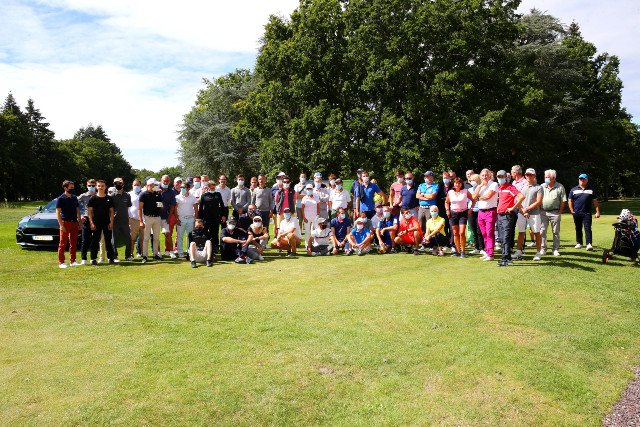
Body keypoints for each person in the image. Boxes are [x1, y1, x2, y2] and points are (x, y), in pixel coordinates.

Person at [496, 170, 524, 267]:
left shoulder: (510, 187)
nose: (500, 178)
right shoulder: (499, 188)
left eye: (502, 177)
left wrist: (513, 207)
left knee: (506, 237)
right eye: (499, 177)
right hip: (500, 215)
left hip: (507, 215)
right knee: (502, 237)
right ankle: (507, 258)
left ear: (506, 177)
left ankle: (505, 258)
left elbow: (521, 196)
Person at [514, 169, 543, 261]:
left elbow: (538, 202)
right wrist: (523, 210)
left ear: (534, 176)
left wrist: (527, 209)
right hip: (522, 212)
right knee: (521, 232)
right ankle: (518, 251)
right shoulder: (522, 187)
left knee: (536, 232)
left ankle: (538, 253)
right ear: (525, 176)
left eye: (531, 175)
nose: (529, 176)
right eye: (527, 175)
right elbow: (518, 199)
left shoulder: (539, 187)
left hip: (534, 213)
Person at [569, 173, 600, 251]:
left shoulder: (591, 190)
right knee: (578, 228)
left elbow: (595, 201)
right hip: (576, 212)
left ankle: (589, 244)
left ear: (587, 180)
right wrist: (572, 211)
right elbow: (570, 200)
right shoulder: (573, 190)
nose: (582, 180)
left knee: (587, 228)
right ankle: (579, 243)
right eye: (580, 179)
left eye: (583, 179)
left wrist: (597, 211)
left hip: (587, 212)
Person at [473, 169, 499, 261]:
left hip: (490, 211)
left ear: (490, 176)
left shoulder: (494, 184)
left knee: (489, 233)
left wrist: (478, 198)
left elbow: (488, 196)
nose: (485, 177)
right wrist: (480, 186)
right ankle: (487, 252)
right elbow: (473, 196)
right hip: (481, 211)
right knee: (484, 233)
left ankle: (491, 254)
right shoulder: (480, 186)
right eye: (483, 175)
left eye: (486, 175)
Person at [87, 180, 116, 265]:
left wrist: (111, 222)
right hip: (96, 223)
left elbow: (112, 211)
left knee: (108, 241)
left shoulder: (109, 198)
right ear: (96, 187)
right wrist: (91, 223)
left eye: (102, 186)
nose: (101, 187)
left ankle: (110, 258)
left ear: (105, 187)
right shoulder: (93, 198)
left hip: (107, 222)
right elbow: (89, 212)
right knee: (95, 241)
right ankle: (93, 259)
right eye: (99, 186)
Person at [445, 177, 474, 258]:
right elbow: (446, 202)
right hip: (453, 213)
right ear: (453, 184)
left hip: (463, 213)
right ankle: (457, 251)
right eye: (456, 183)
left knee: (461, 232)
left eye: (459, 183)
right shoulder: (450, 192)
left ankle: (463, 251)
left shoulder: (465, 191)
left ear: (461, 184)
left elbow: (473, 200)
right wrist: (447, 210)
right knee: (455, 233)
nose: (457, 184)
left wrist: (470, 209)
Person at [540, 169, 567, 256]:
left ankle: (555, 249)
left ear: (553, 178)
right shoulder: (542, 186)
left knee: (556, 232)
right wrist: (539, 209)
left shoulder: (560, 187)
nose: (546, 179)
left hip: (555, 212)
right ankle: (543, 249)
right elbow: (538, 199)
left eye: (547, 177)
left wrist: (560, 212)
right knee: (542, 231)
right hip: (543, 212)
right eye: (545, 177)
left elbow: (563, 200)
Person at [56, 180, 81, 268]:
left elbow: (77, 210)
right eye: (71, 188)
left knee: (73, 243)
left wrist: (79, 221)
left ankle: (73, 261)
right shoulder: (61, 198)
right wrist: (61, 225)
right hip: (65, 222)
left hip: (74, 222)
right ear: (65, 188)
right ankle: (61, 262)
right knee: (62, 243)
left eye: (73, 187)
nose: (72, 189)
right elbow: (58, 212)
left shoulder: (74, 198)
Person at [138, 178, 163, 263]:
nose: (156, 186)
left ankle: (155, 254)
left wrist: (160, 205)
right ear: (149, 185)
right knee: (146, 238)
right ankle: (145, 256)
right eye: (154, 184)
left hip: (157, 217)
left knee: (156, 237)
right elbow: (140, 209)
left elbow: (161, 206)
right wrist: (141, 221)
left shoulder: (158, 194)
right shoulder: (143, 195)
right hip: (147, 218)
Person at [199, 180, 227, 252]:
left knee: (215, 233)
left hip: (216, 217)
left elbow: (222, 205)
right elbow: (201, 208)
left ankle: (215, 247)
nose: (213, 188)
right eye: (211, 186)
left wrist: (223, 215)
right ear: (208, 187)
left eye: (214, 186)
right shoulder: (204, 195)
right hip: (206, 218)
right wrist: (200, 219)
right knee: (205, 233)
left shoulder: (218, 194)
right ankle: (204, 247)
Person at [111, 177, 132, 262]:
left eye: (119, 183)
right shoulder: (112, 196)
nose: (117, 185)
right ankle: (114, 256)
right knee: (114, 240)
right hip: (115, 221)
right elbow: (110, 209)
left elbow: (128, 208)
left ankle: (128, 256)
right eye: (115, 183)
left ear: (123, 184)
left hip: (125, 220)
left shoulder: (127, 195)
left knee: (128, 239)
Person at [175, 182, 198, 258]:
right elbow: (175, 209)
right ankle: (180, 252)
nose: (182, 189)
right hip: (181, 218)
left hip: (191, 218)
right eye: (181, 187)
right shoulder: (177, 197)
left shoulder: (193, 197)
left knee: (190, 236)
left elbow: (196, 209)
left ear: (188, 188)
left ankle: (189, 251)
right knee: (180, 236)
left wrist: (195, 219)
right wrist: (177, 218)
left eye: (184, 187)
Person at [78, 179, 96, 264]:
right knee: (85, 240)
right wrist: (80, 216)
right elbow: (74, 204)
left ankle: (93, 258)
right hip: (86, 219)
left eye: (93, 185)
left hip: (96, 219)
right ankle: (84, 259)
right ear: (87, 186)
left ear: (95, 186)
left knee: (95, 240)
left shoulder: (98, 195)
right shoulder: (83, 196)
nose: (91, 187)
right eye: (89, 186)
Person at [159, 175, 177, 259]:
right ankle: (158, 252)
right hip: (155, 216)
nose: (165, 182)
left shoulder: (171, 192)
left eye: (167, 181)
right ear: (161, 180)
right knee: (155, 236)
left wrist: (169, 216)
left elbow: (173, 205)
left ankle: (171, 251)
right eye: (164, 181)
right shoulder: (156, 189)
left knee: (167, 233)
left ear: (169, 182)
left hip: (165, 216)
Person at [466, 174, 484, 255]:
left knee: (479, 230)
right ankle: (476, 247)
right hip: (471, 211)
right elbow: (467, 201)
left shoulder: (481, 189)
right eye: (471, 180)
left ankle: (482, 247)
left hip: (480, 210)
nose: (472, 182)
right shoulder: (469, 190)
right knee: (473, 230)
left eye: (474, 180)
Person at [417, 171, 439, 235]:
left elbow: (432, 196)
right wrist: (426, 197)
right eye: (425, 176)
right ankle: (421, 239)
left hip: (430, 208)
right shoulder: (421, 185)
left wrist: (422, 195)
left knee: (429, 226)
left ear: (432, 177)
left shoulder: (435, 186)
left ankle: (429, 239)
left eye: (428, 176)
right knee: (420, 225)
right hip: (421, 208)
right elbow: (417, 196)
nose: (426, 177)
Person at [436, 171, 454, 250]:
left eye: (447, 178)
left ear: (449, 178)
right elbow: (438, 198)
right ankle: (445, 243)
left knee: (451, 227)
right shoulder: (440, 186)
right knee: (444, 226)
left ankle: (452, 243)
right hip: (442, 209)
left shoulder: (453, 186)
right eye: (444, 178)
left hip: (452, 209)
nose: (445, 179)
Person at [301, 183, 320, 249]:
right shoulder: (304, 198)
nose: (309, 190)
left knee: (315, 231)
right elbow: (302, 208)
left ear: (312, 189)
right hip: (306, 217)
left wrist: (317, 215)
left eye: (310, 189)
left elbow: (318, 207)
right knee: (307, 231)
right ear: (306, 190)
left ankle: (315, 243)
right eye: (308, 189)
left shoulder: (316, 197)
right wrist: (304, 217)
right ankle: (307, 244)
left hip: (315, 217)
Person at [128, 179, 142, 259]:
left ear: (140, 186)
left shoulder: (144, 193)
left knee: (143, 238)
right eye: (135, 185)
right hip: (132, 219)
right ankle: (131, 253)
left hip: (143, 219)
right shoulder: (129, 194)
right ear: (132, 186)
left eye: (138, 185)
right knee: (132, 238)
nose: (136, 186)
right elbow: (127, 207)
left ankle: (142, 253)